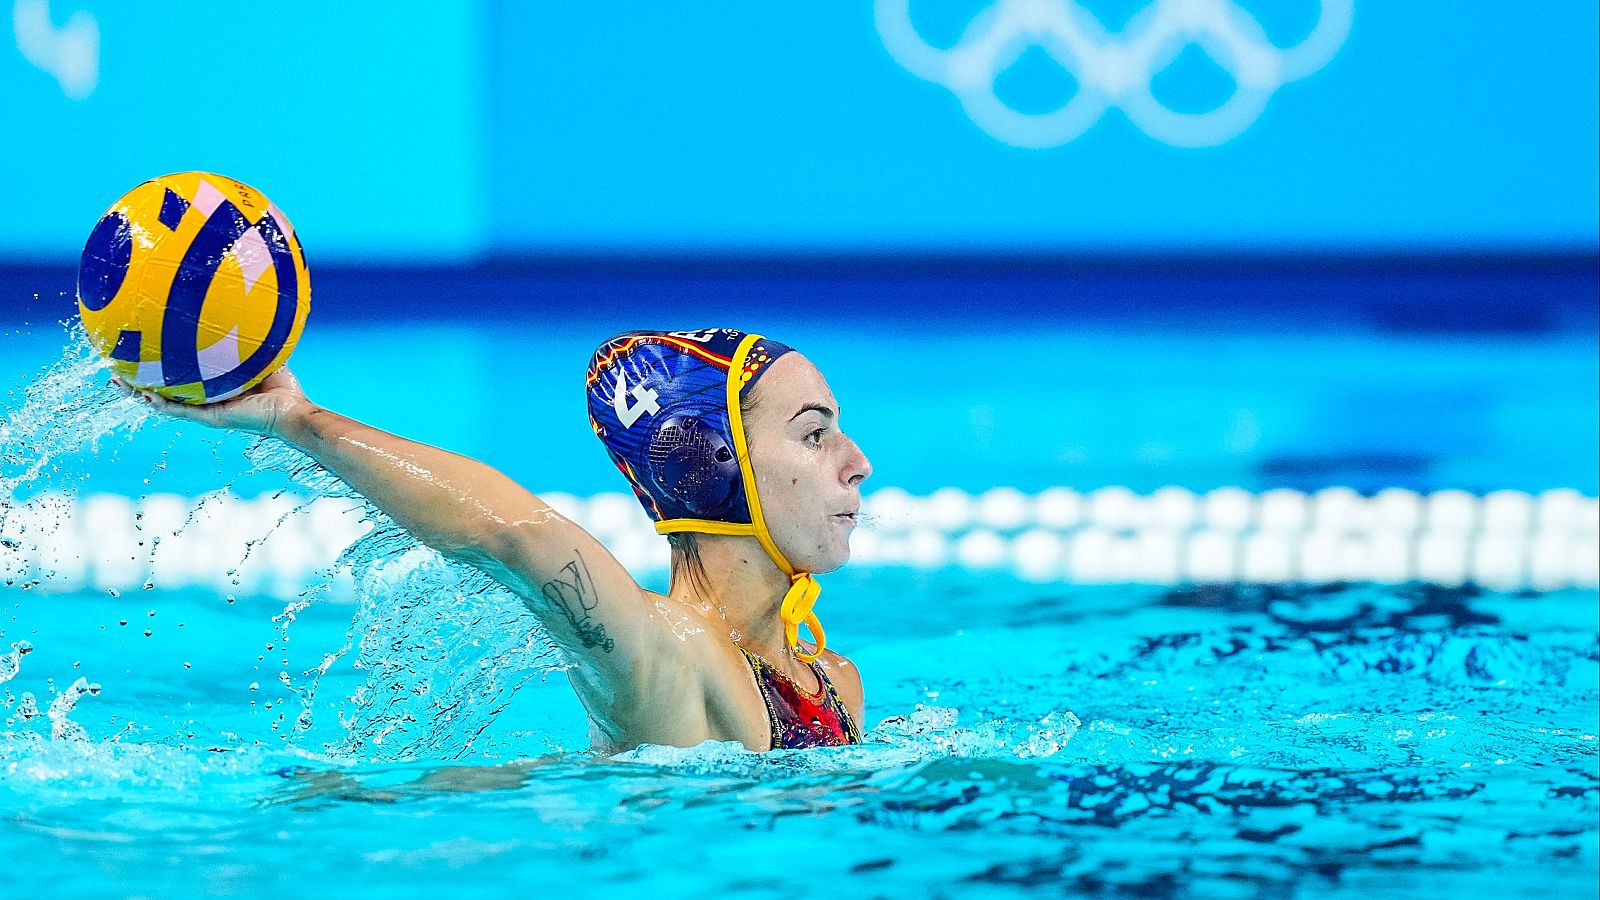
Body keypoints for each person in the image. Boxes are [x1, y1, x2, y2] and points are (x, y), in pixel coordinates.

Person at [134, 328, 872, 753]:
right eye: (814, 435)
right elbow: (511, 533)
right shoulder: (670, 658)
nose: (857, 463)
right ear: (708, 463)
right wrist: (295, 420)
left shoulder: (837, 686)